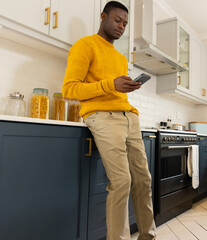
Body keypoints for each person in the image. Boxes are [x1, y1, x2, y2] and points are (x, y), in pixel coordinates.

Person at [62, 1, 156, 240]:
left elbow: (115, 92)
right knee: (122, 181)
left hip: (129, 118)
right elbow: (69, 89)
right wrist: (110, 84)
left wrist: (125, 88)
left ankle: (148, 236)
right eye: (117, 20)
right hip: (102, 117)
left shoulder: (120, 57)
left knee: (143, 180)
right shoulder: (85, 45)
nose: (121, 26)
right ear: (103, 16)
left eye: (125, 23)